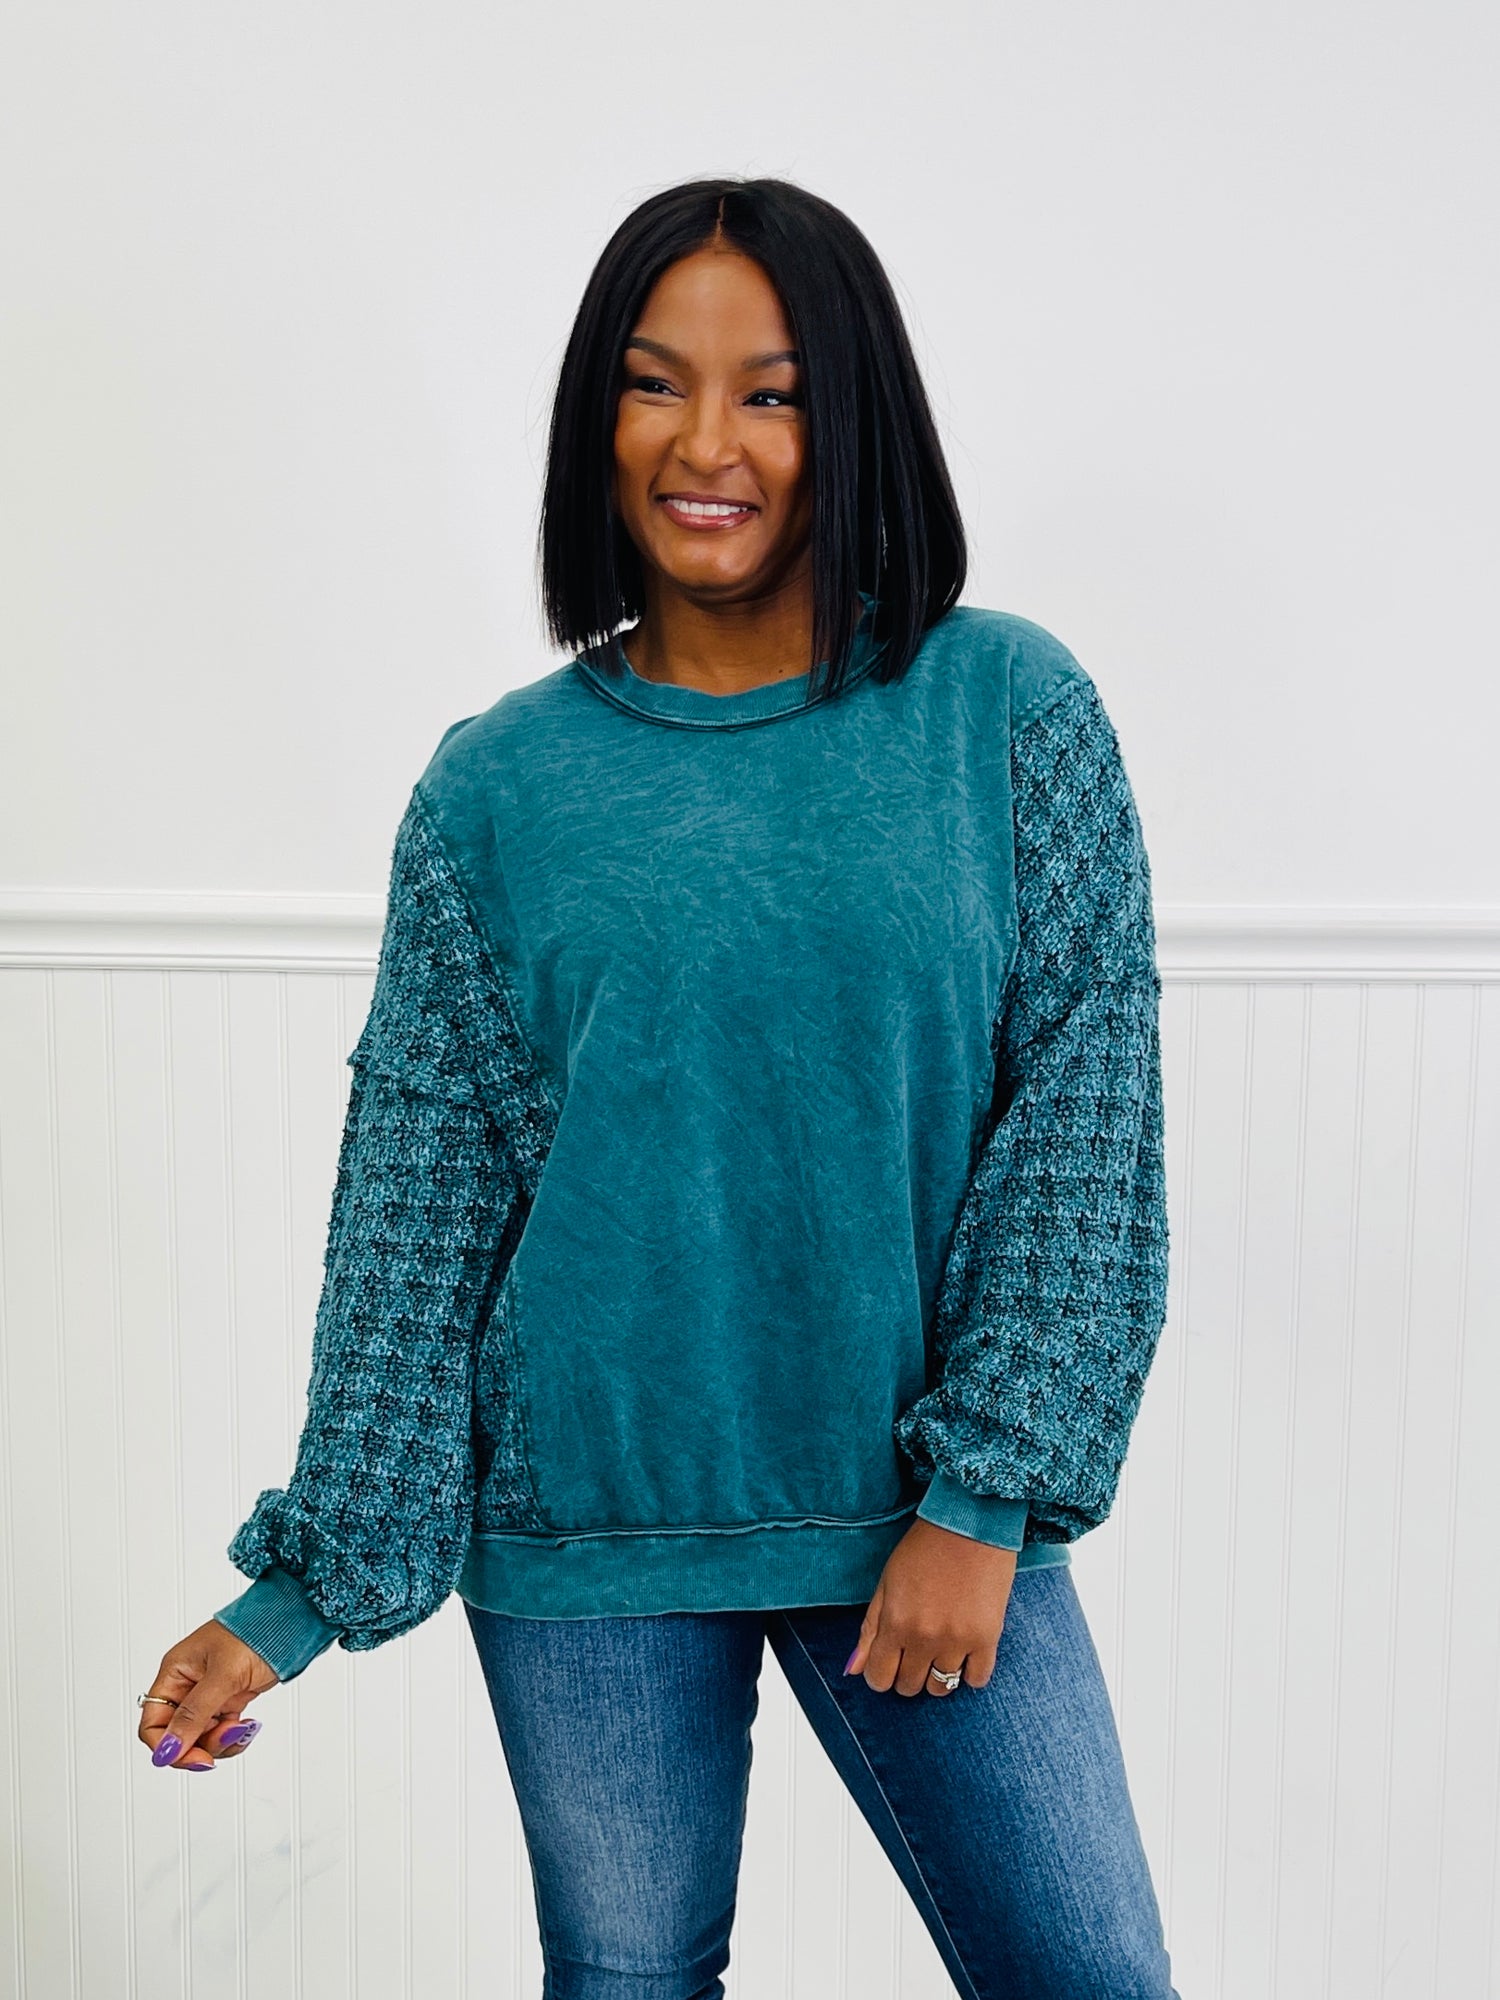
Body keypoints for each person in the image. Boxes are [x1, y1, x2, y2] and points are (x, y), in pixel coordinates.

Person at [136, 176, 1180, 2000]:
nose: (707, 445)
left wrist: (985, 1499)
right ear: (593, 417)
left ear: (855, 419)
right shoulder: (495, 789)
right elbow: (422, 1211)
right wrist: (297, 1594)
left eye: (773, 393)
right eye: (654, 383)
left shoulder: (1006, 711)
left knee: (1089, 1977)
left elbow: (1082, 1126)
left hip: (921, 1520)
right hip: (585, 1540)